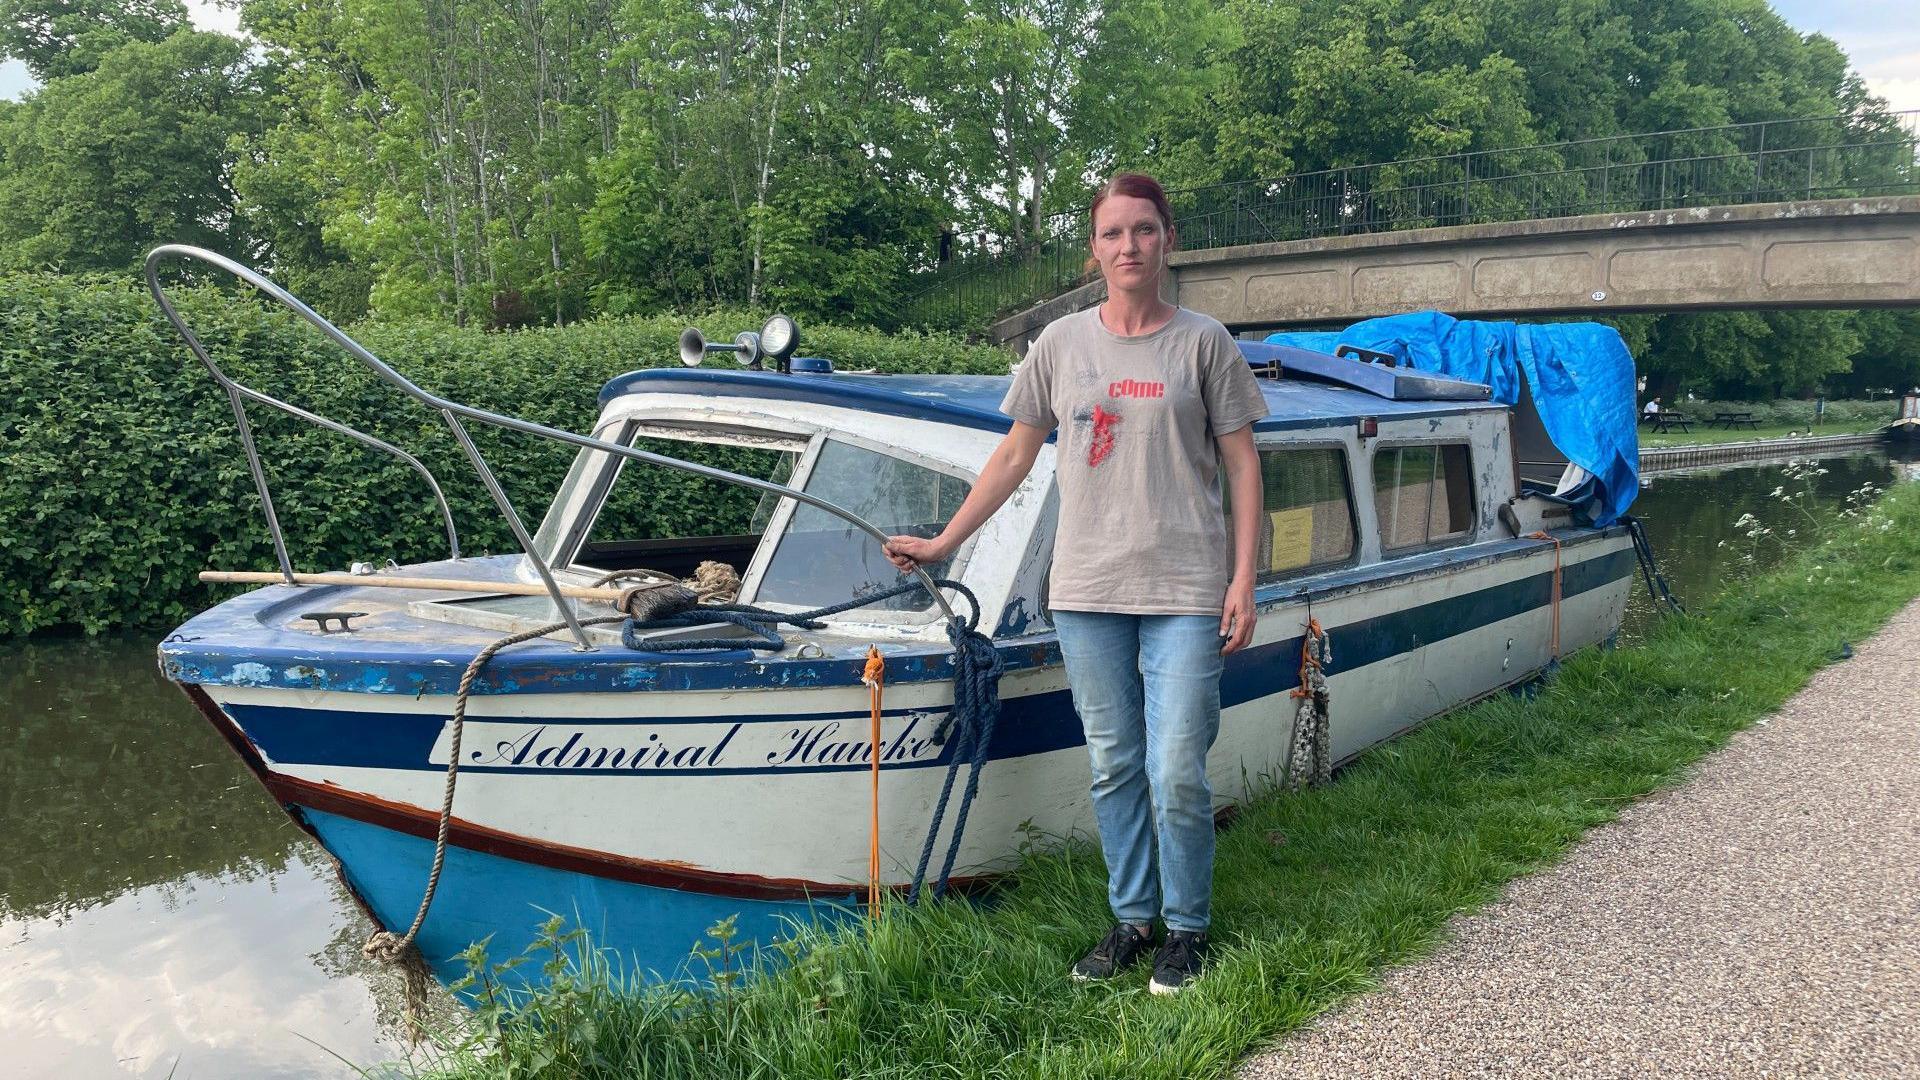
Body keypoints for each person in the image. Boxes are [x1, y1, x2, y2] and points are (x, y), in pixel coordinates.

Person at [884, 172, 1268, 995]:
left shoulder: (1205, 343)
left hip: (1186, 589)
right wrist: (945, 540)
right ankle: (1133, 919)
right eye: (1112, 234)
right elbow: (1016, 456)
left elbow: (1242, 465)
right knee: (1113, 763)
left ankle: (1188, 930)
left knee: (1177, 768)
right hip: (1088, 591)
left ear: (1168, 239)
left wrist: (1244, 578)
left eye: (1144, 230)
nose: (1128, 246)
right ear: (1093, 250)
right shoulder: (1059, 346)